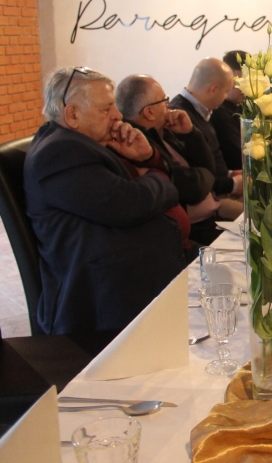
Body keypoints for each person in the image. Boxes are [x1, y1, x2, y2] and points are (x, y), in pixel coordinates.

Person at [23, 67, 186, 334]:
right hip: (104, 302)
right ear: (72, 115)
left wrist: (145, 159)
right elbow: (129, 205)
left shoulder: (81, 143)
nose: (118, 116)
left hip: (132, 279)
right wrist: (157, 177)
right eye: (106, 108)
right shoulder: (58, 152)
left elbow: (131, 199)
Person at [116, 74, 222, 245]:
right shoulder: (137, 143)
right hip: (191, 234)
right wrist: (206, 175)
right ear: (149, 112)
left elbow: (210, 169)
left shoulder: (167, 130)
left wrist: (191, 134)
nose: (169, 105)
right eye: (165, 100)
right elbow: (192, 188)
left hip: (209, 221)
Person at [169, 57, 243, 207]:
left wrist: (229, 173)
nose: (225, 97)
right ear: (213, 89)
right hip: (207, 199)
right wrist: (232, 184)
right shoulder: (180, 118)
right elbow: (194, 176)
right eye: (226, 92)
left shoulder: (202, 110)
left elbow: (212, 160)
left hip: (219, 187)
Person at [210, 50, 247, 171]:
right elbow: (239, 158)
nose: (246, 88)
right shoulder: (219, 112)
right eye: (241, 82)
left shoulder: (242, 106)